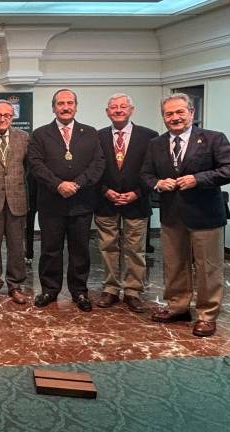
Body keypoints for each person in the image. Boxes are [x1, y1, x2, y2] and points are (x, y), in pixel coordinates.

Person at [140, 93, 230, 337]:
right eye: (169, 114)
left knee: (208, 268)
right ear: (163, 117)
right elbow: (145, 174)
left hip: (205, 215)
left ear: (191, 113)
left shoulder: (212, 139)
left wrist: (199, 179)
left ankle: (207, 315)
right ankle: (177, 307)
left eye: (179, 112)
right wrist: (157, 183)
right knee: (174, 264)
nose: (175, 118)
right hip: (172, 215)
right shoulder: (156, 144)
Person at [27, 89, 104, 312]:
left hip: (81, 202)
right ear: (54, 107)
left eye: (70, 103)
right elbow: (36, 164)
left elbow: (98, 164)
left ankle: (79, 291)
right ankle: (50, 290)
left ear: (76, 106)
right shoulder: (40, 134)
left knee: (80, 249)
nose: (65, 107)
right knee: (50, 249)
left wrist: (77, 183)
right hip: (51, 202)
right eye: (61, 103)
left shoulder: (89, 133)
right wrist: (58, 184)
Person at [94, 94, 158, 313]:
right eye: (114, 107)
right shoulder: (98, 136)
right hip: (105, 201)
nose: (118, 110)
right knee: (107, 247)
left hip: (136, 201)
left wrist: (137, 193)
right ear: (107, 112)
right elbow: (94, 168)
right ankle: (110, 289)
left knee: (135, 250)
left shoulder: (150, 136)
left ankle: (133, 291)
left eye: (123, 107)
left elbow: (153, 170)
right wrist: (105, 191)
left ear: (132, 109)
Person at [0, 100, 29, 305]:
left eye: (7, 115)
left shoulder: (24, 138)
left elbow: (29, 169)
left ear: (12, 117)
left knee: (17, 246)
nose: (2, 119)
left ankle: (15, 285)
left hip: (17, 199)